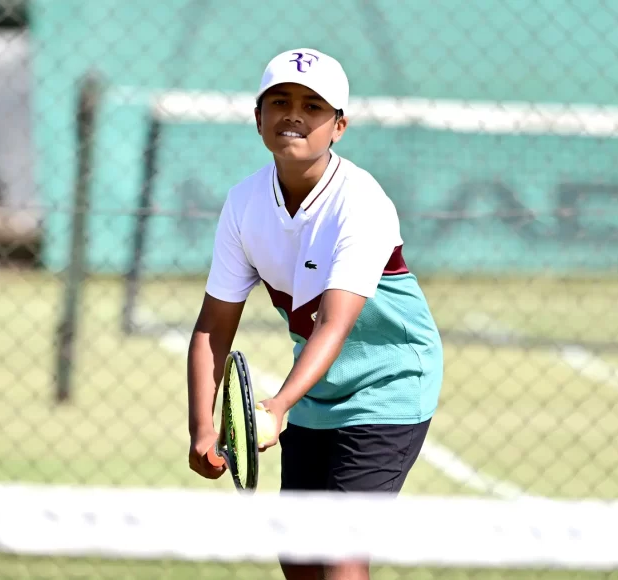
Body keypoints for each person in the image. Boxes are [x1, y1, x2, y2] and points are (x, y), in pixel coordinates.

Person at [187, 47, 444, 580]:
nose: (294, 114)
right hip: (315, 393)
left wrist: (278, 405)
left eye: (313, 105)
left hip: (389, 386)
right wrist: (201, 426)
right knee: (300, 557)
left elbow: (333, 323)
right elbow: (214, 326)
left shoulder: (361, 201)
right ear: (258, 119)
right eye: (279, 101)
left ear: (339, 126)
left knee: (343, 557)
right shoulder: (243, 203)